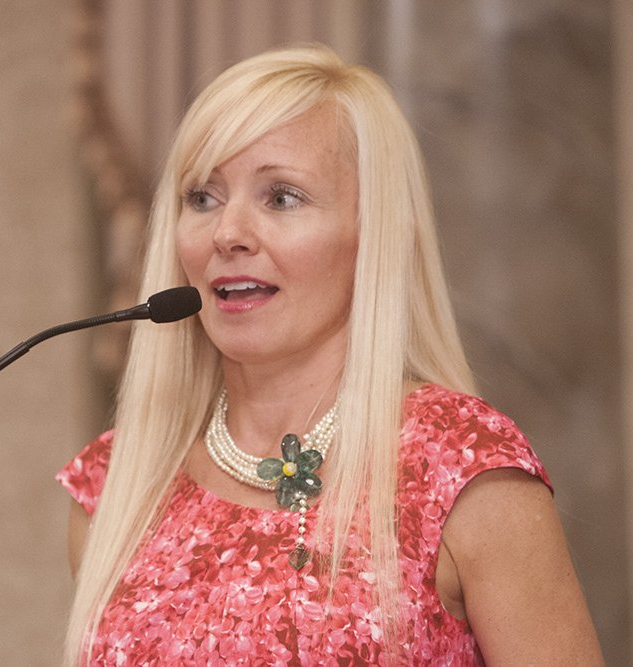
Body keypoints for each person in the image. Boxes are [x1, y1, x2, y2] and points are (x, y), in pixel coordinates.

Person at [57, 44, 603, 665]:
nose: (227, 233)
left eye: (281, 197)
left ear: (372, 236)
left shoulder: (462, 470)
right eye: (202, 197)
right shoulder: (115, 484)